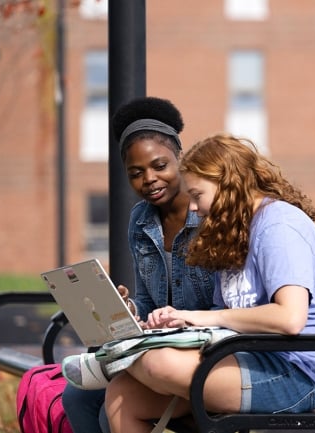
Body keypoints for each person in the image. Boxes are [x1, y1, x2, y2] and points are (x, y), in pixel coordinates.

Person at [99, 133, 315, 432]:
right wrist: (176, 324)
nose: (193, 208)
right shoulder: (233, 233)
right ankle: (115, 359)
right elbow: (222, 317)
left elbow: (290, 318)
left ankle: (109, 361)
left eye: (197, 195)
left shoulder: (280, 225)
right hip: (242, 357)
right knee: (122, 394)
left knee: (154, 363)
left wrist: (199, 316)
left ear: (228, 183)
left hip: (293, 373)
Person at [61, 97, 215, 433]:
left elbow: (226, 306)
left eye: (160, 166)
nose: (149, 179)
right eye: (136, 173)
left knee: (112, 408)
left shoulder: (209, 217)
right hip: (161, 347)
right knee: (76, 397)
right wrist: (128, 309)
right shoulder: (140, 221)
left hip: (205, 352)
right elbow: (149, 304)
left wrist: (174, 327)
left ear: (181, 159)